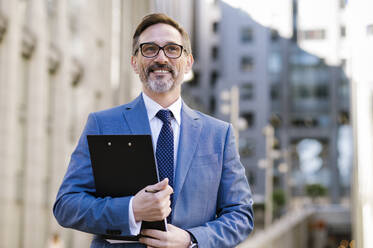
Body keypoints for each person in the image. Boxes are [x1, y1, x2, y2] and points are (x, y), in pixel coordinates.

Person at [53, 13, 254, 248]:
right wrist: (131, 210)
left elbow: (241, 215)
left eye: (172, 49)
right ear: (134, 62)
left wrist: (192, 240)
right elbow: (66, 205)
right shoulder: (102, 124)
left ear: (188, 62)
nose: (161, 58)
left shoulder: (219, 135)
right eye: (149, 49)